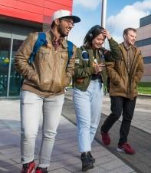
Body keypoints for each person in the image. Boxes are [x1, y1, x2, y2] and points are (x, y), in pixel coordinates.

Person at [15, 10, 80, 173]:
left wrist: (64, 81)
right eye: (69, 21)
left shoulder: (71, 47)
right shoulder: (36, 38)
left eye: (73, 23)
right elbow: (20, 59)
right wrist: (34, 77)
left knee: (50, 133)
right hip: (32, 90)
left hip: (56, 95)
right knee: (29, 132)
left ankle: (43, 167)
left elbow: (71, 69)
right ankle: (28, 163)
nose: (71, 25)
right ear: (57, 21)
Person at [72, 25, 121, 171]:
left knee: (94, 124)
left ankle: (86, 150)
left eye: (103, 39)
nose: (100, 42)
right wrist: (93, 69)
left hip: (97, 88)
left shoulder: (103, 52)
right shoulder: (81, 51)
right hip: (82, 89)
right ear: (91, 36)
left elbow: (118, 55)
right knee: (84, 123)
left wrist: (111, 39)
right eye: (98, 38)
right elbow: (75, 72)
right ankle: (85, 155)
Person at [100, 28, 144, 155]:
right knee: (116, 113)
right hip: (118, 88)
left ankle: (122, 143)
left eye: (135, 36)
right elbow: (109, 67)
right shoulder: (116, 49)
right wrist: (119, 80)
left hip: (131, 90)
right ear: (124, 36)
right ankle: (104, 129)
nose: (133, 38)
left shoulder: (137, 52)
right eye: (131, 35)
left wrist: (134, 81)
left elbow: (140, 70)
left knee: (128, 117)